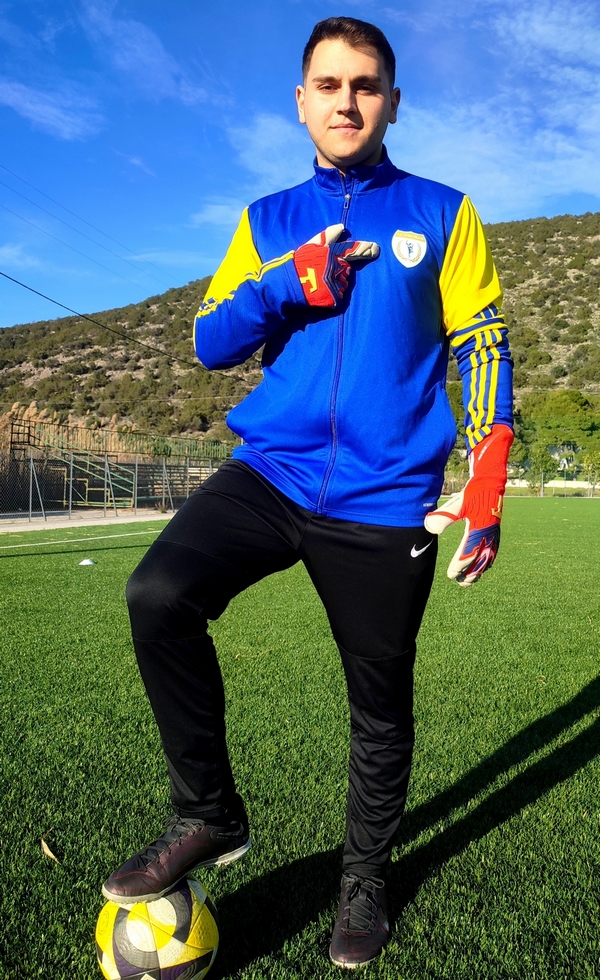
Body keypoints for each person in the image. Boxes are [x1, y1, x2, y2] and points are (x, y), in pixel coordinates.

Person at [102, 16, 513, 969]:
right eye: (328, 85)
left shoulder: (444, 212)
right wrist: (287, 283)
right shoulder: (267, 218)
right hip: (272, 472)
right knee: (157, 595)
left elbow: (482, 341)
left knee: (379, 705)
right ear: (300, 101)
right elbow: (210, 342)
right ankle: (207, 814)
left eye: (365, 85)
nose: (346, 101)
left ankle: (363, 879)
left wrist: (486, 481)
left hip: (384, 496)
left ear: (393, 102)